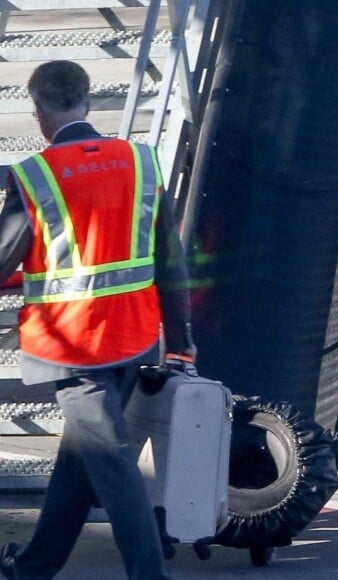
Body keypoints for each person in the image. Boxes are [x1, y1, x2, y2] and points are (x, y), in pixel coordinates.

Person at [0, 60, 195, 579]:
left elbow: (3, 260)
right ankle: (33, 567)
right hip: (133, 339)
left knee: (111, 466)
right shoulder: (141, 162)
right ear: (89, 102)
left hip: (72, 348)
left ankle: (149, 574)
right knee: (81, 461)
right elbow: (169, 261)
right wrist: (181, 343)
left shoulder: (35, 175)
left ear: (39, 111)